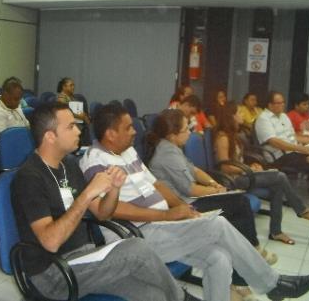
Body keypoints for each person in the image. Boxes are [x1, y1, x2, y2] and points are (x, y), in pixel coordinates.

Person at [80, 103, 309, 301]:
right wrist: (166, 215)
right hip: (136, 237)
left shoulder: (128, 153)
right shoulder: (95, 160)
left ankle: (269, 283)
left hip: (163, 226)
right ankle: (271, 284)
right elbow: (111, 210)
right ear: (110, 134)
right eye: (128, 127)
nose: (134, 132)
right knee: (218, 225)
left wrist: (182, 208)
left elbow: (157, 185)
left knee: (219, 258)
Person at [12, 102, 199, 301]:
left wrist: (114, 190)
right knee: (137, 248)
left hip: (85, 259)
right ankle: (184, 299)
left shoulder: (69, 165)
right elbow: (51, 243)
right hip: (53, 274)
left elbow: (103, 213)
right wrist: (87, 195)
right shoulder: (29, 177)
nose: (78, 130)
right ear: (50, 136)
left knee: (155, 296)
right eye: (70, 127)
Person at [214, 102, 309, 245]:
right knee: (280, 176)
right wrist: (248, 169)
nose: (242, 115)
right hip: (234, 180)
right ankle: (301, 209)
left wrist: (251, 166)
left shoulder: (233, 134)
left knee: (277, 185)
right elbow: (224, 167)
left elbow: (237, 160)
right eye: (239, 113)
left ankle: (276, 232)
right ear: (232, 116)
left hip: (243, 175)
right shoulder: (223, 137)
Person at [255, 91, 309, 218]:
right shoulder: (263, 119)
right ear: (270, 104)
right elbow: (275, 142)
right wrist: (300, 149)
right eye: (278, 103)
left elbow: (294, 136)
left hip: (293, 152)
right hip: (278, 157)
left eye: (283, 102)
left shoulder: (284, 116)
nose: (282, 105)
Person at [0, 78, 29, 163]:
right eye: (16, 99)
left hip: (18, 144)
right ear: (5, 95)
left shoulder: (15, 106)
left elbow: (27, 126)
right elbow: (4, 141)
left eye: (19, 99)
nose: (19, 103)